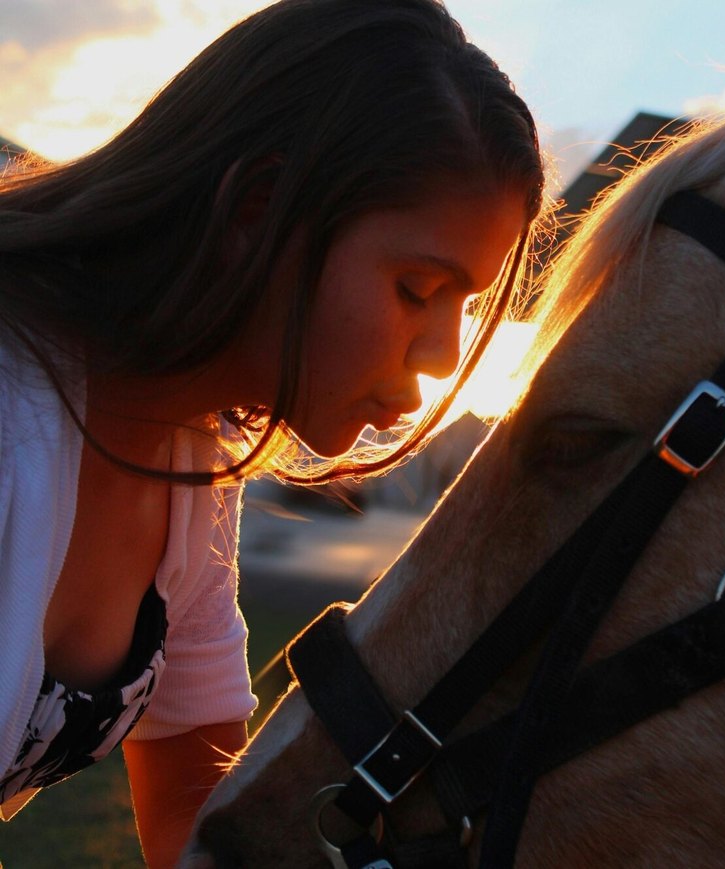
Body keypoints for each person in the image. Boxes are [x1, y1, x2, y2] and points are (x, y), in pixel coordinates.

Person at [0, 0, 544, 865]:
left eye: (464, 305)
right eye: (416, 288)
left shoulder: (193, 459)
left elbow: (202, 819)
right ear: (260, 205)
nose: (444, 356)